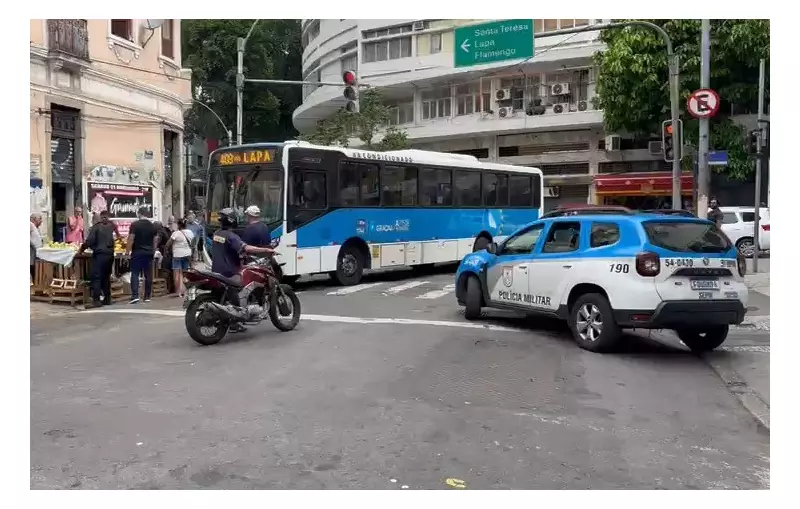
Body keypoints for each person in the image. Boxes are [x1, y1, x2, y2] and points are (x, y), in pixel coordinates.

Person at [212, 208, 275, 332]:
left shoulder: (216, 234)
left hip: (216, 270)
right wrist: (266, 250)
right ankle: (236, 320)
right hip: (229, 271)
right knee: (244, 283)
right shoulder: (231, 236)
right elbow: (246, 248)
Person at [77, 210, 116, 307]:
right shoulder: (111, 226)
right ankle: (107, 298)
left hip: (100, 255)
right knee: (106, 277)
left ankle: (96, 300)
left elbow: (89, 241)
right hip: (110, 255)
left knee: (97, 277)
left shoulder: (96, 227)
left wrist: (81, 250)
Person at [126, 207, 158, 304]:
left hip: (137, 252)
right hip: (149, 253)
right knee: (148, 274)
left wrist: (127, 252)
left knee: (135, 273)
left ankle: (135, 295)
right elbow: (155, 240)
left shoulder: (135, 225)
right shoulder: (152, 226)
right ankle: (147, 296)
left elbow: (131, 238)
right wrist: (153, 250)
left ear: (139, 213)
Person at [166, 218, 195, 297]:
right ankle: (185, 292)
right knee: (185, 273)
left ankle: (178, 292)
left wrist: (166, 251)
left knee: (177, 274)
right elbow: (193, 244)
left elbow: (168, 244)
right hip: (188, 254)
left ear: (178, 225)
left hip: (177, 255)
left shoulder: (176, 233)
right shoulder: (190, 232)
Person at [30, 213, 44, 283]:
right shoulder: (30, 224)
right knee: (31, 267)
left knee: (34, 268)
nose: (41, 221)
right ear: (34, 219)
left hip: (35, 252)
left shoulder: (35, 227)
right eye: (40, 219)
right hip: (31, 251)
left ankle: (36, 283)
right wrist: (34, 246)